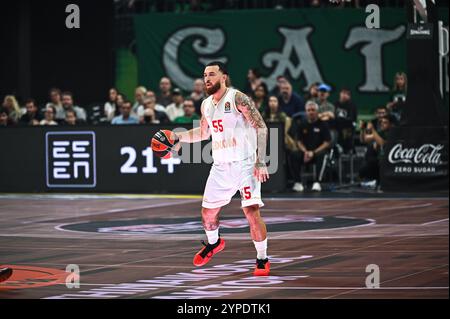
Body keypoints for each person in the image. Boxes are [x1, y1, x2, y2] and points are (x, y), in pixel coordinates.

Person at [154, 61, 270, 276]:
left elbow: (260, 126)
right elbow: (203, 133)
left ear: (223, 77)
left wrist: (261, 160)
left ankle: (262, 258)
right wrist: (177, 136)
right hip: (220, 167)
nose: (207, 78)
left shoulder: (238, 98)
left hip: (245, 164)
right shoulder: (206, 104)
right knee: (208, 214)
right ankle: (214, 243)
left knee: (252, 212)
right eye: (205, 75)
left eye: (212, 74)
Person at [290, 101, 331, 192]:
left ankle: (317, 183)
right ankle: (298, 182)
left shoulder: (323, 124)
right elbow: (299, 141)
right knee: (293, 154)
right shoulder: (302, 124)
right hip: (305, 152)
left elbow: (327, 142)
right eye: (308, 110)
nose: (311, 112)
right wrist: (305, 151)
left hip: (318, 152)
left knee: (323, 155)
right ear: (306, 111)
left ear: (317, 111)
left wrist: (313, 152)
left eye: (313, 110)